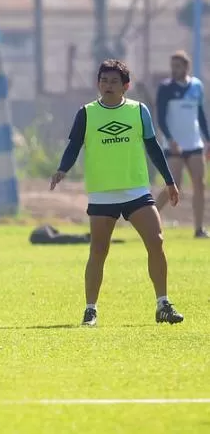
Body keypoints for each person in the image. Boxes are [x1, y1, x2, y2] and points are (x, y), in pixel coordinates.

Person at [51, 59, 184, 327]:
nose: (107, 86)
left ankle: (163, 304)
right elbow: (74, 145)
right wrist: (62, 169)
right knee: (98, 251)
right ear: (98, 84)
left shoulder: (138, 111)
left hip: (136, 190)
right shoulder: (87, 113)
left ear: (126, 86)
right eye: (103, 81)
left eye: (113, 81)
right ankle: (90, 310)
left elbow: (153, 147)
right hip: (103, 193)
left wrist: (169, 181)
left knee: (156, 241)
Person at [155, 50, 210, 237]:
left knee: (199, 185)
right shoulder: (165, 88)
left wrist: (208, 140)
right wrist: (171, 140)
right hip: (174, 145)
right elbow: (161, 118)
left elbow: (201, 115)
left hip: (194, 143)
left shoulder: (197, 86)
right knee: (174, 184)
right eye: (172, 66)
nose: (174, 70)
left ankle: (199, 229)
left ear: (186, 67)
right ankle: (148, 217)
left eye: (178, 66)